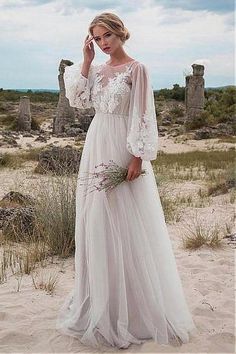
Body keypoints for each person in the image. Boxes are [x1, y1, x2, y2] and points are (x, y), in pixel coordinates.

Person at [56, 12, 197, 350]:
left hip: (122, 148)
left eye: (107, 36)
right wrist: (87, 61)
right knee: (97, 221)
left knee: (127, 221)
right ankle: (102, 300)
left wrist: (137, 156)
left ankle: (134, 308)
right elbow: (78, 101)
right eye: (97, 38)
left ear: (120, 34)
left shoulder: (138, 70)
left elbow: (144, 114)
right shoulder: (98, 69)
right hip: (96, 141)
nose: (103, 43)